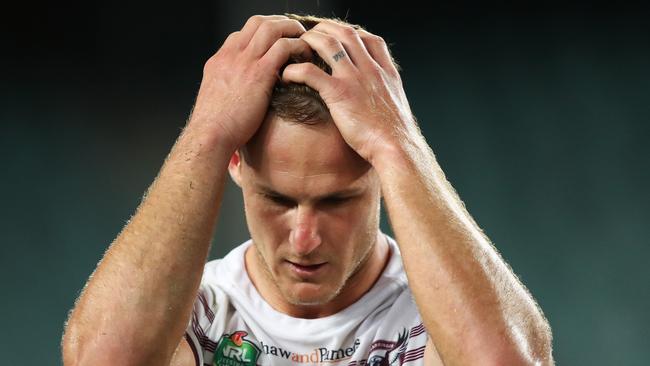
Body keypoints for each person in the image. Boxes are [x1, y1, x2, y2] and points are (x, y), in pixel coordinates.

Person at [61, 14, 554, 366]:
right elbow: (104, 359)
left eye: (336, 200)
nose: (304, 239)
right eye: (277, 199)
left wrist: (398, 143)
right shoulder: (199, 313)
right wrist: (207, 132)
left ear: (381, 175)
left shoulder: (432, 320)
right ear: (235, 162)